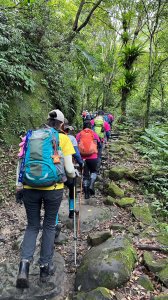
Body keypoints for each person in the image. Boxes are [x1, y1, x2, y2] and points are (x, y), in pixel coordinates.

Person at [15, 109, 76, 288]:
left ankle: (23, 268)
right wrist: (73, 175)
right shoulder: (63, 139)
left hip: (29, 187)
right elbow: (70, 170)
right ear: (61, 125)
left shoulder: (30, 136)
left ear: (47, 122)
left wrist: (19, 187)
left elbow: (21, 163)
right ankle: (44, 269)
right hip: (53, 189)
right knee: (49, 225)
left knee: (32, 226)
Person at [76, 120, 101, 199]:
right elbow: (99, 144)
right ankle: (91, 185)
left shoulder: (79, 134)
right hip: (93, 157)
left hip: (82, 158)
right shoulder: (94, 134)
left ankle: (86, 194)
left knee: (85, 175)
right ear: (91, 126)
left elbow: (76, 146)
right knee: (94, 171)